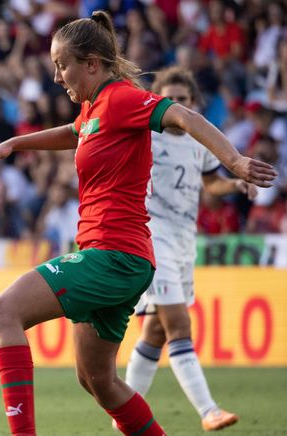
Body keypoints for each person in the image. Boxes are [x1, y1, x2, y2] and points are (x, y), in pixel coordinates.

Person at [0, 11, 276, 436]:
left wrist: (234, 161)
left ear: (93, 63)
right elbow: (72, 132)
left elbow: (183, 117)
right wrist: (14, 143)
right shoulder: (94, 109)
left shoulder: (121, 98)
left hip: (115, 256)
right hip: (118, 258)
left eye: (62, 65)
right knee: (99, 381)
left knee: (3, 312)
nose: (57, 77)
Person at [124, 66, 250, 432]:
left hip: (183, 241)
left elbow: (211, 183)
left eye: (184, 99)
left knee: (156, 333)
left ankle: (125, 410)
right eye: (170, 99)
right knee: (178, 324)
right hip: (152, 236)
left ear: (194, 103)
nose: (177, 104)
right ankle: (208, 410)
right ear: (158, 101)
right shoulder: (147, 134)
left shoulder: (200, 140)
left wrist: (236, 186)